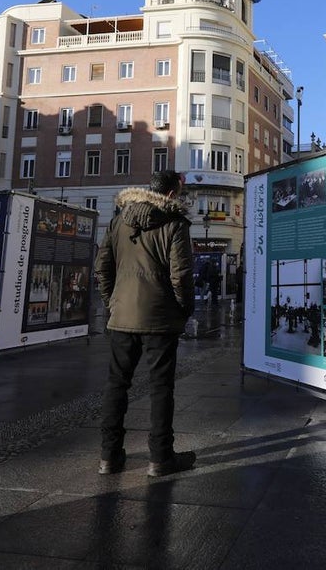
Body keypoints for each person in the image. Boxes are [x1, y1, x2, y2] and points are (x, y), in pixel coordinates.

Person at [94, 170, 196, 477]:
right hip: (161, 320)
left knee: (116, 386)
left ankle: (109, 457)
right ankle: (160, 458)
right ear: (171, 194)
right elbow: (181, 275)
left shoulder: (117, 222)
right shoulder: (175, 224)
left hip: (122, 317)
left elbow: (102, 269)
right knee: (161, 388)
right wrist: (184, 310)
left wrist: (112, 303)